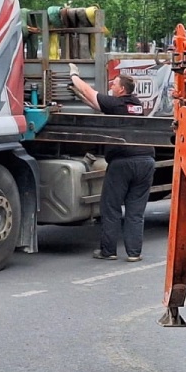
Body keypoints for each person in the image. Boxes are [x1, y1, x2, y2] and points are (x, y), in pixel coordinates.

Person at [68, 64, 155, 262]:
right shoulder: (136, 104)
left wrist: (74, 76)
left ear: (122, 89)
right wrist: (78, 94)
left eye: (114, 84)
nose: (111, 87)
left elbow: (90, 92)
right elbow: (96, 103)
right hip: (146, 161)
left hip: (123, 162)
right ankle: (134, 253)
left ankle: (108, 251)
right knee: (135, 211)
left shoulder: (116, 104)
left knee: (111, 207)